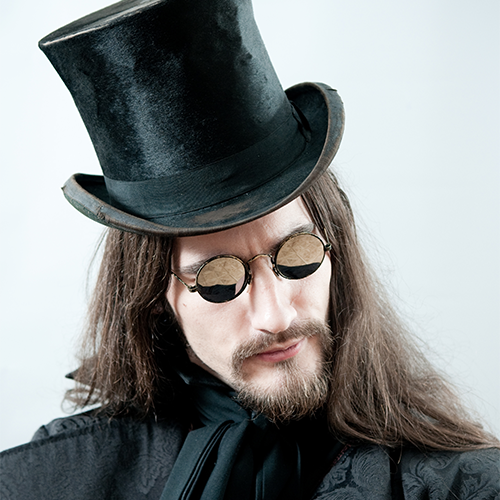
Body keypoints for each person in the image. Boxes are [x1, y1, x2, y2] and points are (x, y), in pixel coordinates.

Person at [0, 0, 498, 499]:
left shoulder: (463, 485)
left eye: (298, 255)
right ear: (154, 299)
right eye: (218, 280)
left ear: (335, 251)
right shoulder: (56, 479)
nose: (276, 316)